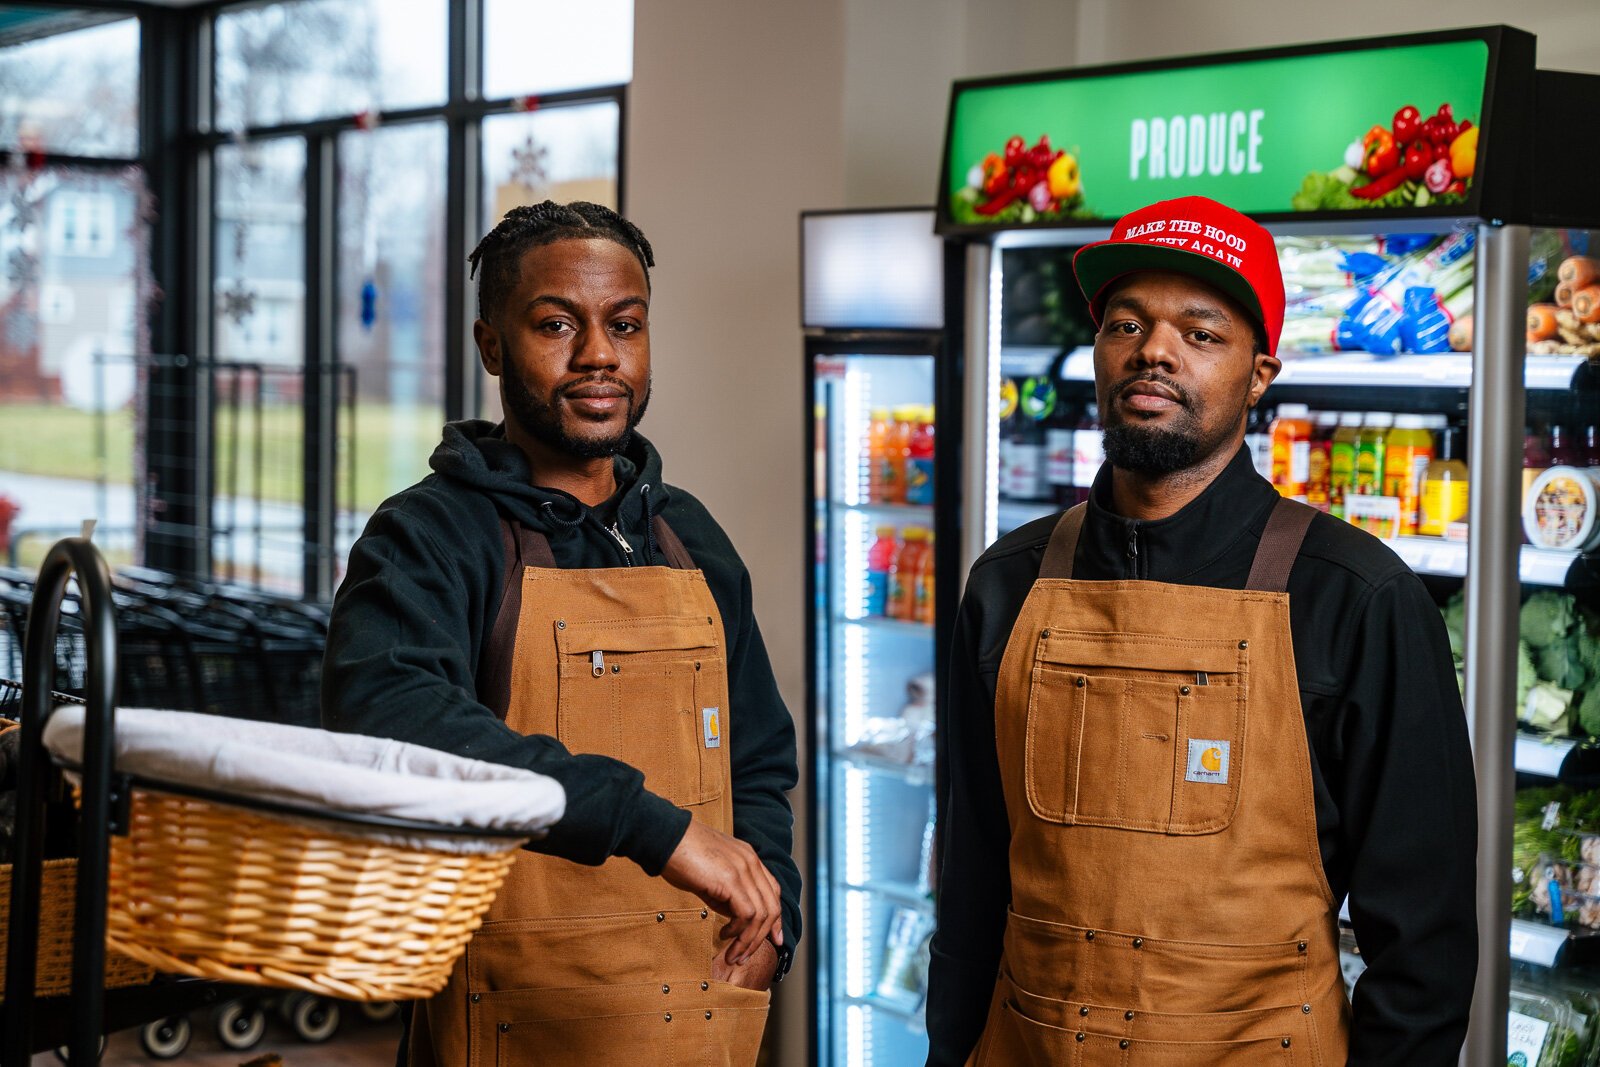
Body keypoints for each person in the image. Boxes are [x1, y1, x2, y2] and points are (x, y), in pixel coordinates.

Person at [926, 196, 1476, 1066]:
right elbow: (970, 888)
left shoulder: (1357, 599)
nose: (1153, 349)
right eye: (1125, 323)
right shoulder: (1009, 585)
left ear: (1261, 373)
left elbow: (1425, 948)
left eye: (1201, 331)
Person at [323, 201, 799, 1066]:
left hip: (699, 1016)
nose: (599, 355)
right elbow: (387, 713)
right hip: (513, 1025)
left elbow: (759, 761)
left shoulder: (693, 537)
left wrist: (778, 915)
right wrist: (658, 828)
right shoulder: (428, 537)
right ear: (491, 345)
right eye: (556, 324)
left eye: (625, 324)